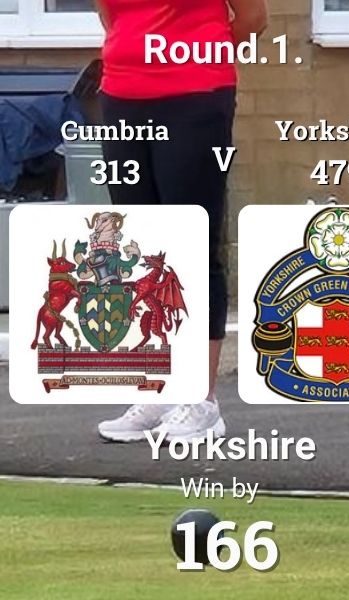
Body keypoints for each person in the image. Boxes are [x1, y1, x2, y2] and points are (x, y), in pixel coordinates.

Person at [93, 0, 268, 443]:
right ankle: (161, 389)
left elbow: (253, 20)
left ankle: (201, 402)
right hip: (121, 96)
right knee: (143, 250)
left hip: (195, 97)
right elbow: (112, 16)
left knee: (192, 246)